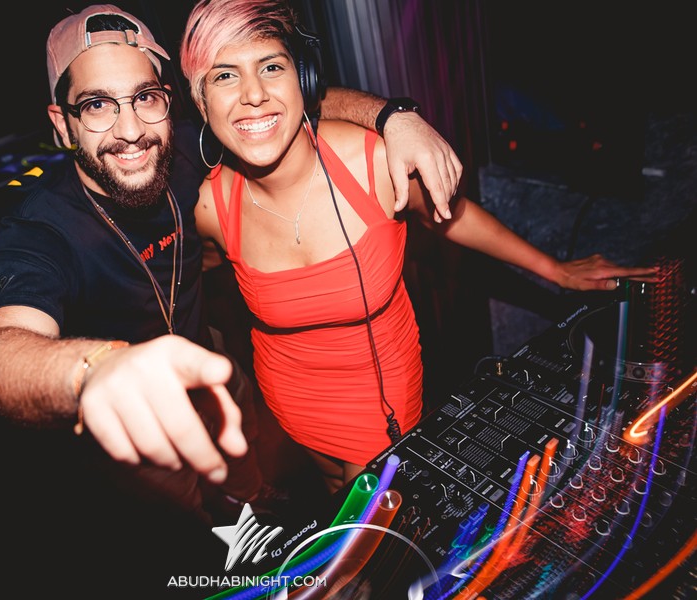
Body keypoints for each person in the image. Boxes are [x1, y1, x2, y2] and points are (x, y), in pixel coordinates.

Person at [0, 4, 466, 524]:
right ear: (62, 124)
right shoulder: (39, 230)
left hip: (216, 374)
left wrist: (395, 117)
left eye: (144, 97)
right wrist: (93, 371)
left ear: (167, 101)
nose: (130, 130)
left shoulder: (182, 148)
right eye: (96, 105)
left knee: (252, 484)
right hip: (136, 427)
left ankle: (257, 502)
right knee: (197, 532)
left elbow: (292, 104)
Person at [180, 0, 660, 494]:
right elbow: (192, 283)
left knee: (377, 529)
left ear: (302, 79)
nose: (253, 95)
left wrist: (555, 270)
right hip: (291, 398)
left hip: (383, 397)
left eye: (271, 67)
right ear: (202, 101)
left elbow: (448, 215)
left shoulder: (372, 163)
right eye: (225, 76)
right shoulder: (210, 207)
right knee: (336, 505)